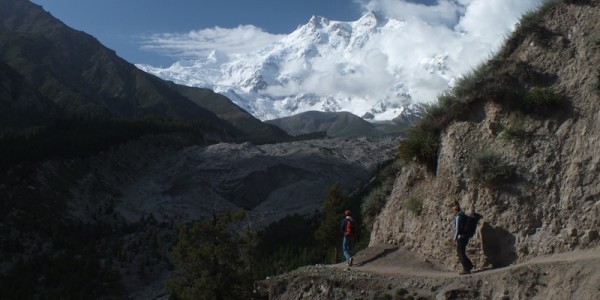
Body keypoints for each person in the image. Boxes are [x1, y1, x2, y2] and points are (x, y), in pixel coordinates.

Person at [453, 203, 474, 275]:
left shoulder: (458, 217)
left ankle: (466, 269)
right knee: (462, 252)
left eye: (454, 210)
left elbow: (457, 229)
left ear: (456, 210)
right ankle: (469, 265)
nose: (453, 212)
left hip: (461, 237)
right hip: (466, 237)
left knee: (460, 253)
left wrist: (454, 239)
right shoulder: (464, 216)